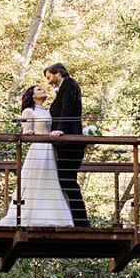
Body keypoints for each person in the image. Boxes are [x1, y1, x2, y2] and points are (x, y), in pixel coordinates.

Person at [0, 84, 72, 269]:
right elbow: (26, 133)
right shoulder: (29, 111)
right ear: (32, 95)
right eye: (38, 89)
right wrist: (40, 135)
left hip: (50, 149)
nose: (42, 90)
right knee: (37, 183)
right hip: (38, 149)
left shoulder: (47, 109)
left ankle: (52, 216)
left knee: (50, 183)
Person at [44, 62, 90, 227]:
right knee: (66, 179)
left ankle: (81, 221)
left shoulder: (69, 84)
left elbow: (68, 110)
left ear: (58, 73)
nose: (48, 82)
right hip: (66, 141)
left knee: (67, 179)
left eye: (49, 77)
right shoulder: (63, 88)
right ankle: (78, 220)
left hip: (70, 140)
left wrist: (61, 130)